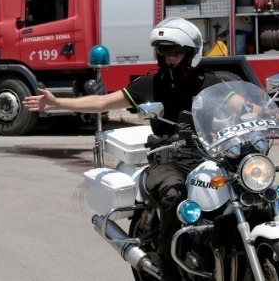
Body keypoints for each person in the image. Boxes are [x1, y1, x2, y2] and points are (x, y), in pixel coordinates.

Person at [22, 17, 227, 281]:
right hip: (168, 161)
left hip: (207, 156)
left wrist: (264, 112)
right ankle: (168, 263)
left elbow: (239, 108)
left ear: (191, 52)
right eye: (164, 52)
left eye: (176, 52)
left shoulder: (210, 82)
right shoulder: (151, 83)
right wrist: (57, 103)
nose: (170, 59)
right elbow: (103, 101)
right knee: (173, 195)